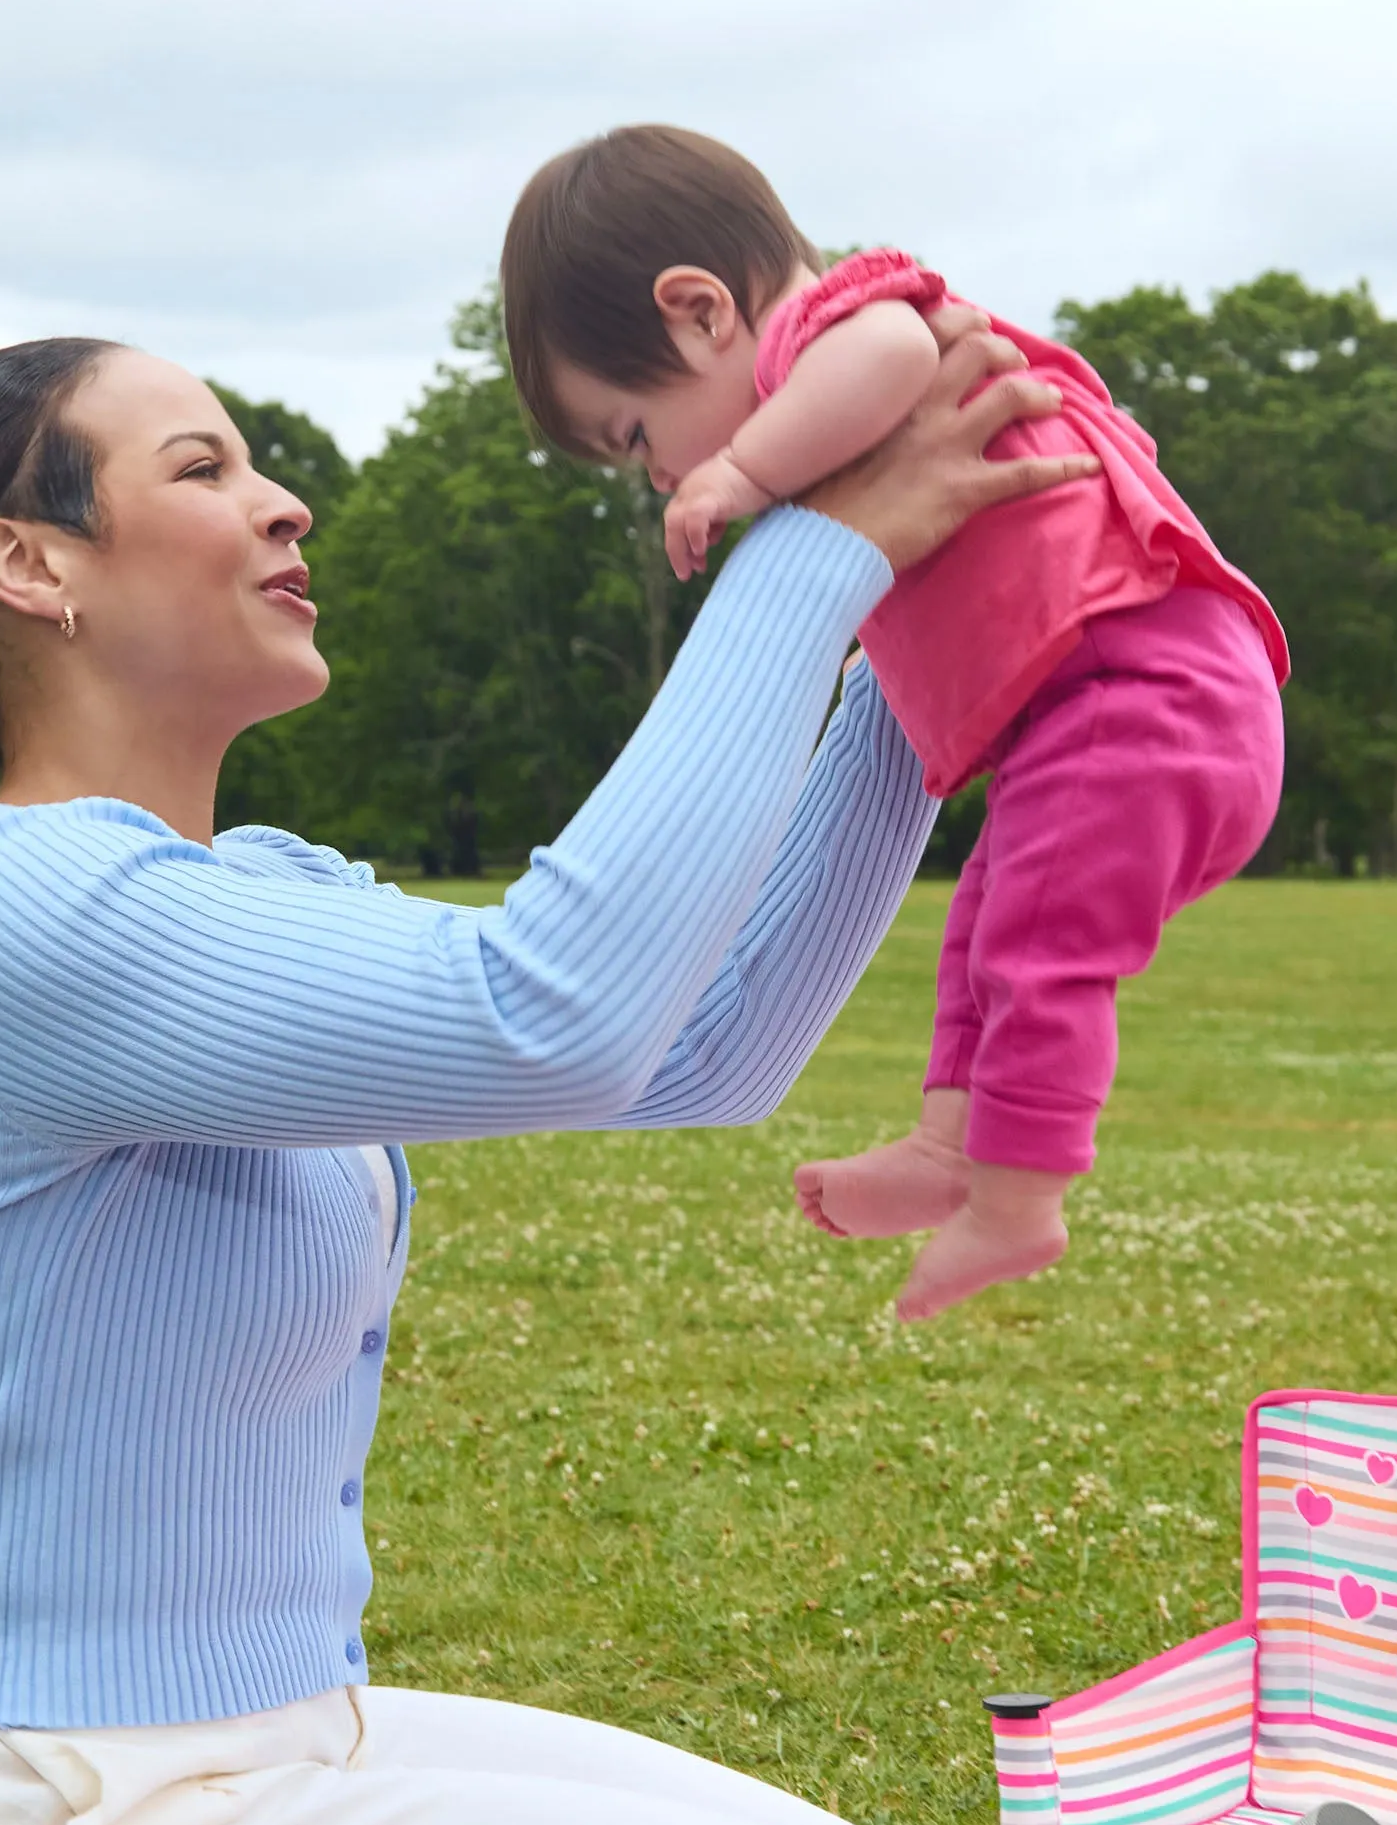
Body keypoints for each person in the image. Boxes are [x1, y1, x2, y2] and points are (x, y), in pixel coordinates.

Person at [0, 321, 1097, 1825]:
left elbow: (692, 1054)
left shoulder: (246, 892)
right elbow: (550, 1010)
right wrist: (818, 547)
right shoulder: (6, 911)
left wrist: (912, 689)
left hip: (242, 1746)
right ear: (30, 563)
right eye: (203, 468)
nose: (284, 500)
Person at [500, 126, 1288, 1321]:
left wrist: (745, 473)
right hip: (1099, 717)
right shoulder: (838, 399)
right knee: (984, 925)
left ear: (701, 312)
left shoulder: (845, 322)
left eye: (636, 437)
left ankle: (1020, 1200)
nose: (661, 478)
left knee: (1036, 946)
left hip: (1149, 697)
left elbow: (884, 354)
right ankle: (951, 1140)